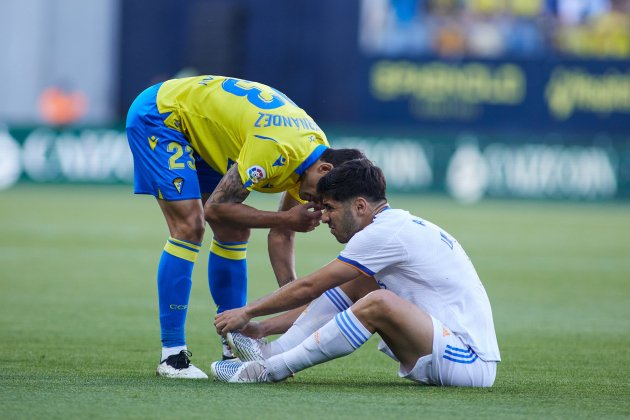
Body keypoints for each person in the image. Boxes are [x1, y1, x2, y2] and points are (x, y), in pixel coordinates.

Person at [125, 75, 365, 379]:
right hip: (163, 115)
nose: (318, 205)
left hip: (206, 132)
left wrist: (298, 304)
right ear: (325, 170)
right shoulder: (277, 150)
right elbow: (218, 208)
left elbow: (283, 235)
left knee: (235, 231)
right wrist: (285, 218)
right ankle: (173, 356)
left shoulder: (312, 158)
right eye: (322, 199)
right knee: (190, 226)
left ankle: (235, 344)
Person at [211, 159, 501, 386]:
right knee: (360, 282)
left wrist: (247, 312)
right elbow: (327, 289)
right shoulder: (393, 225)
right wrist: (262, 327)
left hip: (468, 362)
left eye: (330, 208)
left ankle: (271, 370)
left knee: (379, 303)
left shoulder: (383, 233)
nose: (323, 217)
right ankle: (270, 354)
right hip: (444, 347)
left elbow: (310, 286)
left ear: (360, 206)